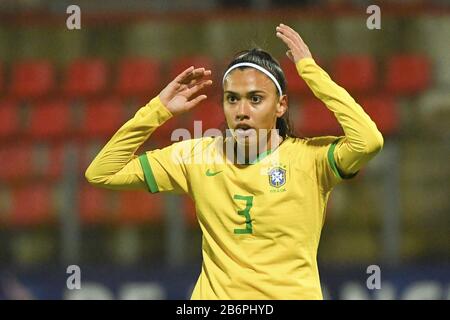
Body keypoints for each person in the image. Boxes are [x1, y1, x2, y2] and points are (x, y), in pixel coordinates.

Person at [85, 23, 383, 299]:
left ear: (281, 105)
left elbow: (368, 141)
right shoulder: (198, 157)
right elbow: (102, 172)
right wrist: (158, 110)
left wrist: (311, 73)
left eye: (255, 99)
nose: (241, 110)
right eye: (232, 98)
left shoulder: (310, 160)